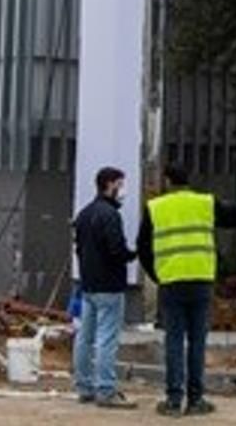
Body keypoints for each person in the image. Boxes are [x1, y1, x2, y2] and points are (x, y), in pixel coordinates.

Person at [136, 166, 236, 417]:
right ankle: (196, 400)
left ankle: (173, 401)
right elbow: (232, 215)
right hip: (201, 282)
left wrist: (158, 275)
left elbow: (143, 249)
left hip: (172, 282)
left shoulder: (155, 208)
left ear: (167, 181)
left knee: (174, 340)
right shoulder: (205, 203)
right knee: (197, 341)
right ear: (188, 181)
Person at [72, 166, 138, 410]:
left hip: (88, 283)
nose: (122, 190)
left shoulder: (84, 214)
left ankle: (84, 386)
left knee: (85, 337)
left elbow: (79, 248)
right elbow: (116, 249)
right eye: (120, 184)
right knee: (107, 339)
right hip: (109, 284)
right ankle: (106, 389)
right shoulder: (110, 215)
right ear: (110, 184)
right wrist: (132, 255)